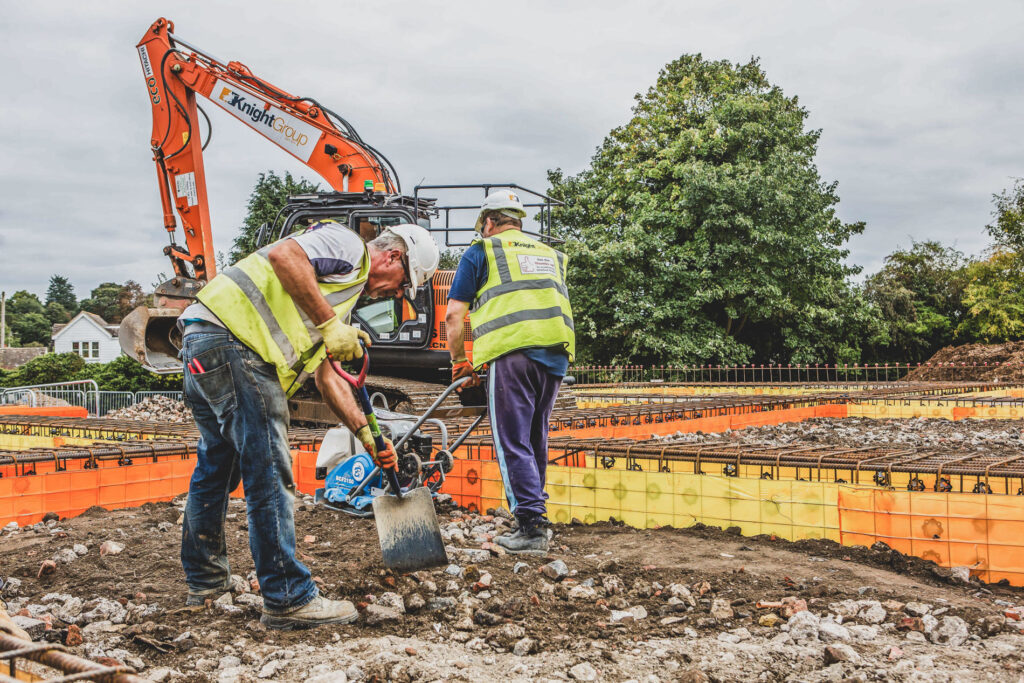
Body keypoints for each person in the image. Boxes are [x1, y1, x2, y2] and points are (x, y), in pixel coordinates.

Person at [176, 220, 439, 629]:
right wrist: (331, 325)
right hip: (237, 347)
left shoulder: (339, 300)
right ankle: (287, 597)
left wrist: (367, 433)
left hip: (204, 343)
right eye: (403, 285)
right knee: (267, 470)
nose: (394, 294)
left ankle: (206, 583)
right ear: (394, 256)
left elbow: (327, 377)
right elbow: (285, 254)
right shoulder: (349, 247)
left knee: (216, 468)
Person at [444, 191, 575, 554]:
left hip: (512, 353)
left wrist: (459, 362)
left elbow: (455, 315)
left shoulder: (482, 251)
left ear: (488, 222)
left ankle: (531, 527)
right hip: (555, 353)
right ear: (517, 221)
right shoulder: (549, 254)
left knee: (510, 439)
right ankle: (535, 516)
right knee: (536, 437)